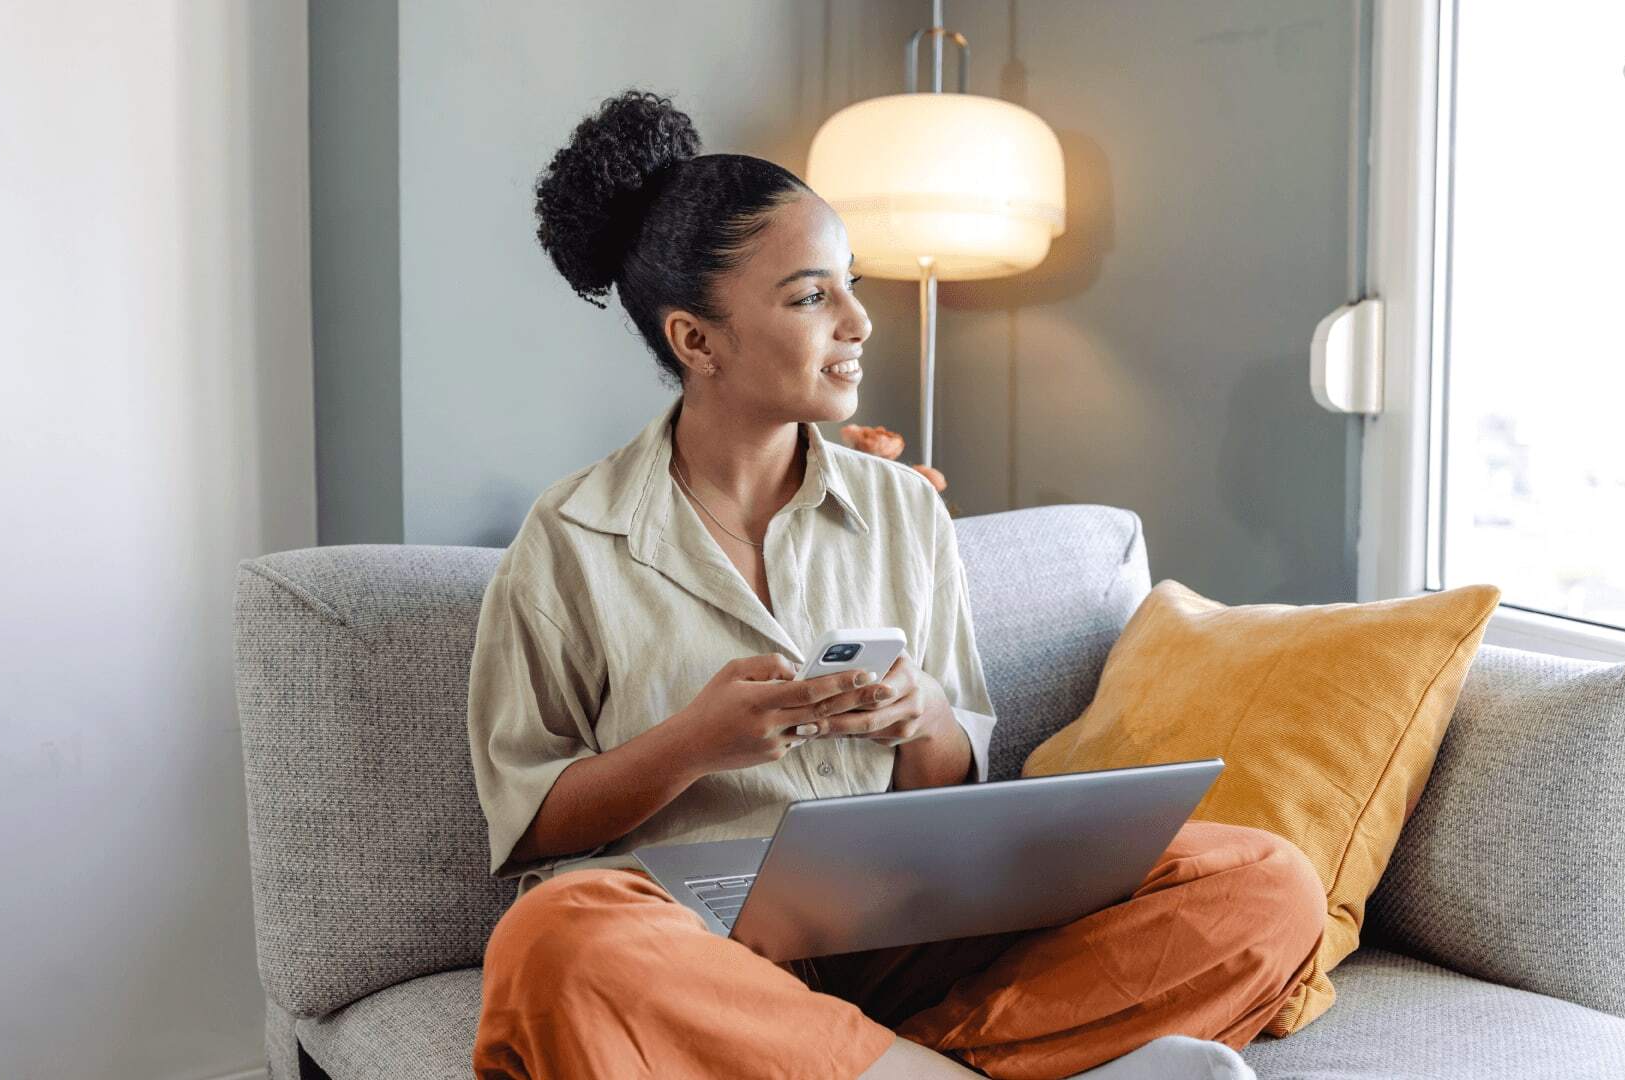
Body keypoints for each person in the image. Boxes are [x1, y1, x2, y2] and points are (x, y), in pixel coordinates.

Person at [465, 89, 1326, 1080]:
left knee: (1267, 883)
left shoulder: (904, 509)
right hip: (703, 947)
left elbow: (950, 786)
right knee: (556, 938)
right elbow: (533, 823)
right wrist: (695, 743)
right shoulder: (573, 536)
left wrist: (923, 716)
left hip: (905, 925)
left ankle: (877, 1064)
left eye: (852, 283)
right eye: (810, 297)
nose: (859, 320)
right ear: (696, 341)